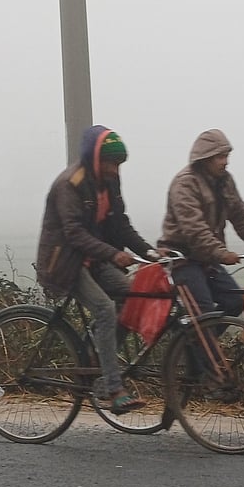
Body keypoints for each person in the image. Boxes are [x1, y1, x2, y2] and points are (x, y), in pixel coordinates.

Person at [36, 125, 157, 414]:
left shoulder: (109, 182)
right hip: (66, 262)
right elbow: (74, 234)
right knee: (104, 309)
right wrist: (114, 254)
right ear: (94, 158)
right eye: (111, 163)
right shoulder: (71, 184)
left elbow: (120, 224)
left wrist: (150, 252)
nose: (115, 170)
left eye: (119, 164)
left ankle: (95, 352)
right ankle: (114, 389)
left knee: (133, 297)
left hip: (93, 258)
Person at [158, 128, 244, 319]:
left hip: (208, 260)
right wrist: (220, 253)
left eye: (227, 156)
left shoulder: (225, 181)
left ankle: (200, 345)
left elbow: (240, 216)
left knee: (235, 302)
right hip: (183, 259)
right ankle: (201, 345)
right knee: (204, 313)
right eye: (220, 157)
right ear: (205, 159)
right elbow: (194, 229)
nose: (225, 162)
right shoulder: (185, 184)